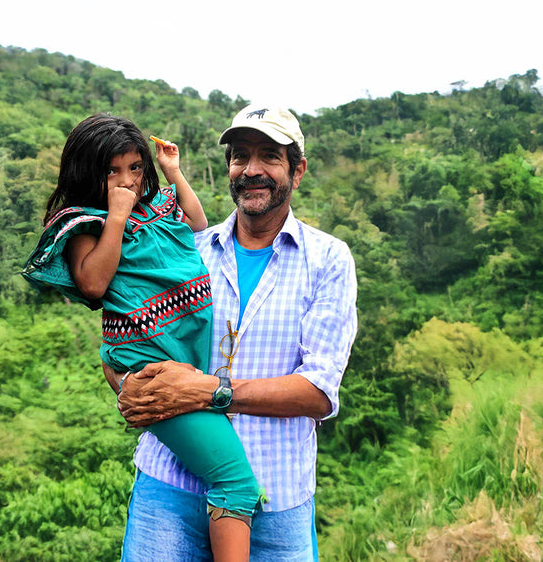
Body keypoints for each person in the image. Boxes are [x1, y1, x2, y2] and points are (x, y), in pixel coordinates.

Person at [112, 104, 358, 562]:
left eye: (269, 156)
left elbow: (319, 392)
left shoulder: (328, 260)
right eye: (240, 155)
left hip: (277, 496)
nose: (252, 169)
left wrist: (208, 391)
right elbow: (131, 334)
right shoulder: (190, 250)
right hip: (170, 488)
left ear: (297, 170)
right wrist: (129, 387)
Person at [21, 113, 263, 562]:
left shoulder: (157, 204)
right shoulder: (85, 223)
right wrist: (116, 215)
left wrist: (172, 171)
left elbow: (197, 222)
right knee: (235, 482)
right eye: (111, 171)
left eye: (134, 168)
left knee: (225, 475)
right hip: (150, 366)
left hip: (185, 357)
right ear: (86, 172)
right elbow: (93, 283)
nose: (126, 181)